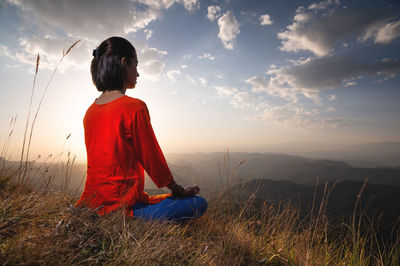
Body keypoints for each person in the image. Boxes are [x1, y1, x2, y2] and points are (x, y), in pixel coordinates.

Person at [76, 36, 207, 222]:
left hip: (93, 204)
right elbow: (152, 158)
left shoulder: (90, 111)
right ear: (124, 64)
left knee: (159, 201)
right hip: (123, 208)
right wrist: (177, 190)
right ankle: (135, 218)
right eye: (135, 66)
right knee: (198, 203)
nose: (137, 73)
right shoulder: (134, 107)